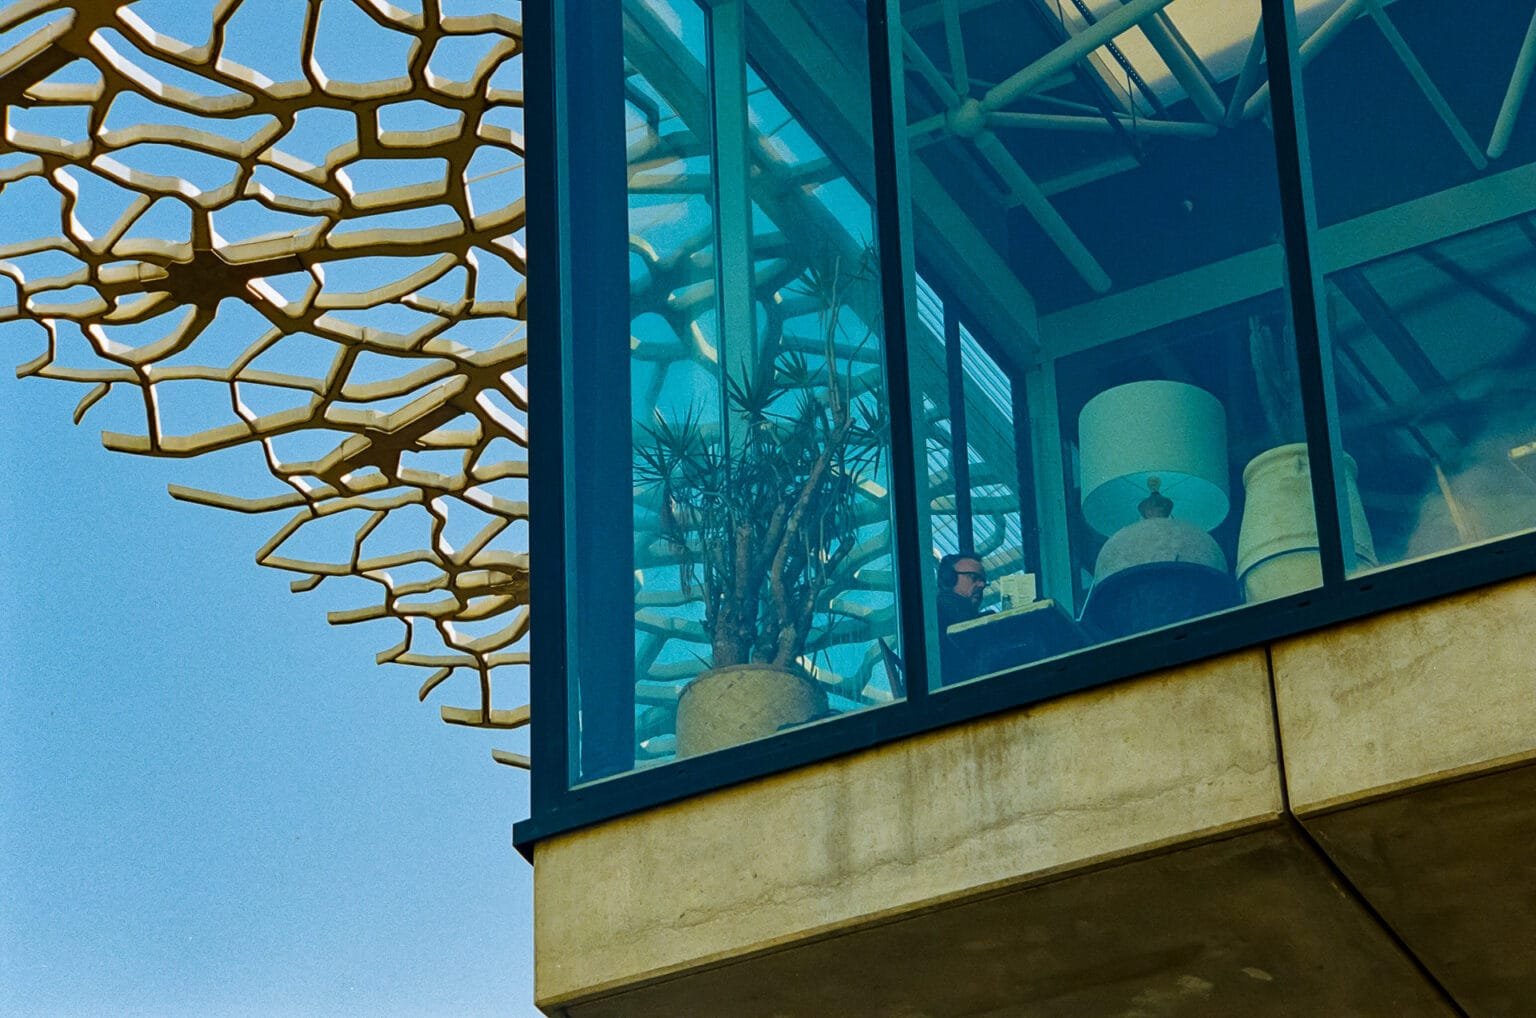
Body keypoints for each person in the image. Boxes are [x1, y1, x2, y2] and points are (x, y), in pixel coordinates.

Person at [936, 552, 989, 684]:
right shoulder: (944, 609)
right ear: (950, 579)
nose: (981, 585)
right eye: (973, 577)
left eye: (983, 580)